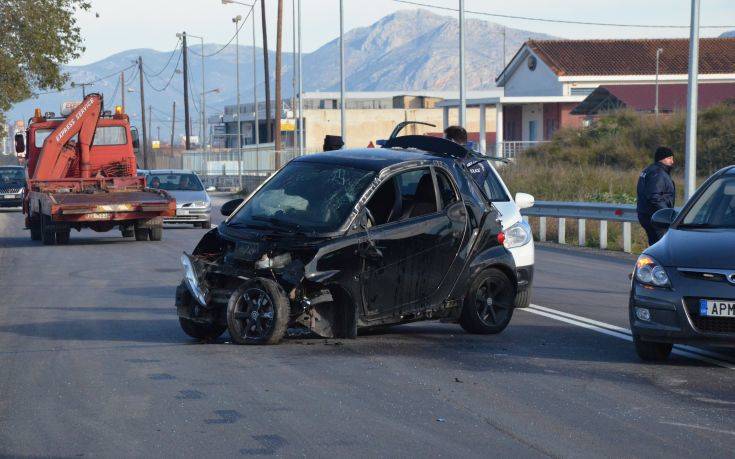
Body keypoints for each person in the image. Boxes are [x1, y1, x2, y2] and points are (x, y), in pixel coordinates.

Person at [637, 146, 676, 245]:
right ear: (662, 158)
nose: (672, 161)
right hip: (656, 217)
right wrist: (666, 214)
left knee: (655, 245)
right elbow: (654, 196)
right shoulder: (658, 173)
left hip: (647, 215)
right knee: (662, 247)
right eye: (669, 158)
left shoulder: (648, 170)